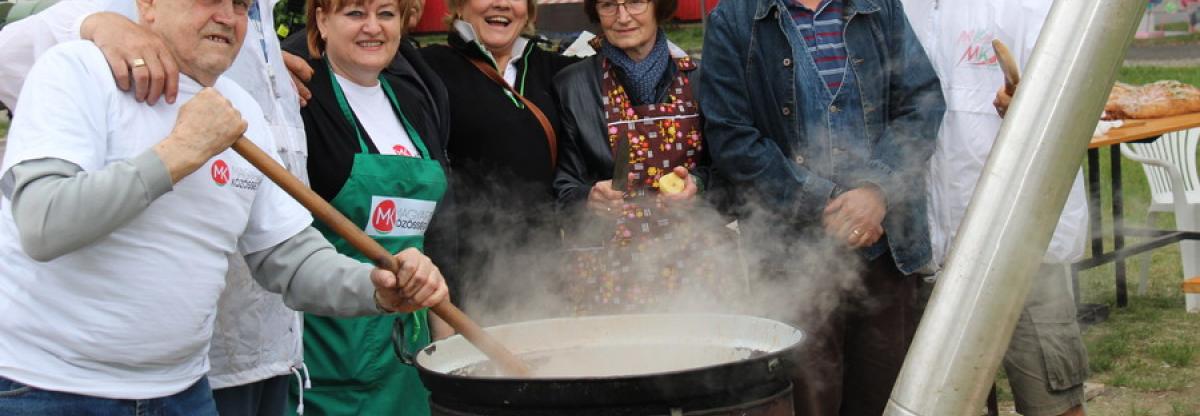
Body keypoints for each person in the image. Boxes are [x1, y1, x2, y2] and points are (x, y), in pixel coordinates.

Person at [0, 0, 449, 412]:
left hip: (183, 392)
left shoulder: (243, 111)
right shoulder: (77, 70)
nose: (227, 17)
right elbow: (42, 225)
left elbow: (287, 258)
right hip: (48, 389)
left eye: (239, 5)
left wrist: (375, 285)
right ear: (149, 6)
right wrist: (179, 152)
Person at [699, 0, 944, 415]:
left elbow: (921, 102)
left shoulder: (878, 5)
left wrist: (876, 191)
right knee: (807, 401)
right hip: (790, 261)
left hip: (885, 247)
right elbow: (730, 135)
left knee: (883, 398)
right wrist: (821, 203)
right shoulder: (735, 18)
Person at [902, 1, 1090, 415]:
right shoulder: (896, 7)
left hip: (1021, 247)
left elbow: (1077, 92)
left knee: (1052, 402)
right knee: (941, 404)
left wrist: (1029, 107)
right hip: (928, 250)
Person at [275, 0, 454, 413]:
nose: (372, 28)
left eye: (386, 14)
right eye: (355, 13)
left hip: (407, 359)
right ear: (322, 19)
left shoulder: (413, 100)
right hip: (328, 362)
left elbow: (433, 241)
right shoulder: (300, 98)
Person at [553, 0, 739, 314]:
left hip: (699, 269)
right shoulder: (572, 86)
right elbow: (560, 190)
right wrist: (588, 199)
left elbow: (735, 173)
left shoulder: (701, 79)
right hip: (608, 273)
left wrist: (700, 185)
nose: (623, 17)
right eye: (609, 4)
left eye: (636, 2)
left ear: (659, 7)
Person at [420, 0, 577, 317]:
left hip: (544, 276)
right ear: (460, 6)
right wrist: (290, 67)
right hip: (459, 276)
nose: (502, 3)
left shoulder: (557, 70)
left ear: (529, 11)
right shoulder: (427, 67)